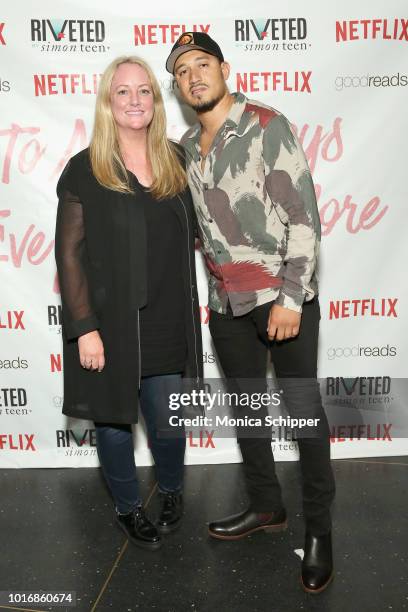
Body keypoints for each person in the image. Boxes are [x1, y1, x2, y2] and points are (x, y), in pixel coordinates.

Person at [165, 33, 335, 592]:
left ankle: (319, 532)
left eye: (202, 64)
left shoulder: (266, 124)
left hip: (280, 300)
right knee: (249, 414)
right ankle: (267, 507)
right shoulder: (187, 147)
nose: (194, 76)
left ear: (224, 68)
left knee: (305, 419)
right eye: (183, 70)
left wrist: (290, 297)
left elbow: (304, 217)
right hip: (225, 304)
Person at [55, 55, 203, 551]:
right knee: (115, 427)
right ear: (108, 102)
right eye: (123, 91)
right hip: (110, 326)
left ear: (156, 103)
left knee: (166, 422)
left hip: (168, 320)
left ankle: (173, 492)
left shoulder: (178, 161)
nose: (135, 100)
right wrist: (84, 328)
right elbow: (69, 256)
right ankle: (125, 507)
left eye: (145, 91)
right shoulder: (85, 169)